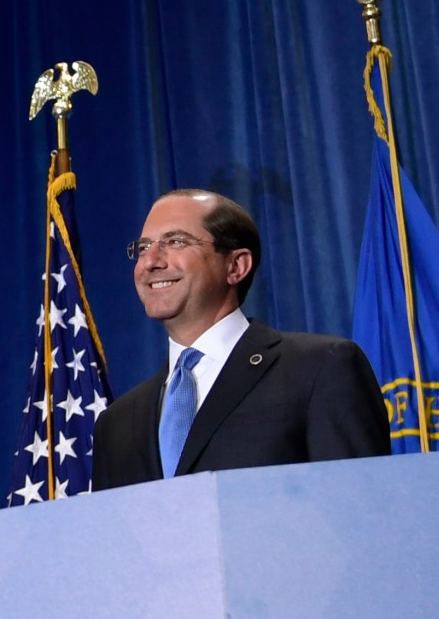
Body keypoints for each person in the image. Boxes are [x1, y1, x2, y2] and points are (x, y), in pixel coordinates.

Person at [96, 187, 388, 487]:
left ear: (236, 266)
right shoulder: (115, 424)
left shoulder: (320, 369)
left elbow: (360, 510)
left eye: (176, 241)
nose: (150, 262)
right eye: (143, 247)